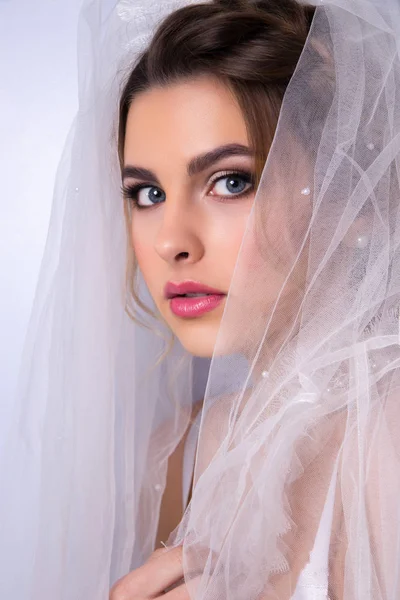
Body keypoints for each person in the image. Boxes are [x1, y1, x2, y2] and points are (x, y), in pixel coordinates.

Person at [1, 0, 400, 598]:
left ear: (354, 195)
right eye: (147, 192)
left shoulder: (387, 433)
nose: (169, 242)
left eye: (230, 181)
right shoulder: (204, 442)